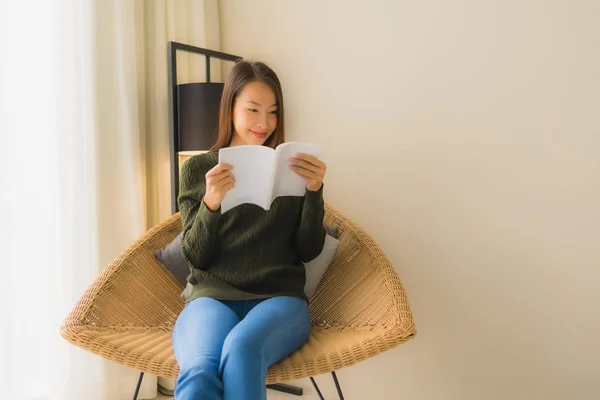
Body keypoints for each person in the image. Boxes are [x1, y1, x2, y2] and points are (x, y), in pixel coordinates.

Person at [173, 59, 328, 400]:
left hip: (279, 300)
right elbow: (196, 255)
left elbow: (308, 249)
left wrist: (314, 192)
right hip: (211, 298)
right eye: (253, 109)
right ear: (230, 108)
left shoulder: (292, 167)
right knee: (199, 372)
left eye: (272, 112)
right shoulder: (199, 169)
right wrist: (211, 203)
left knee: (242, 348)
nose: (264, 123)